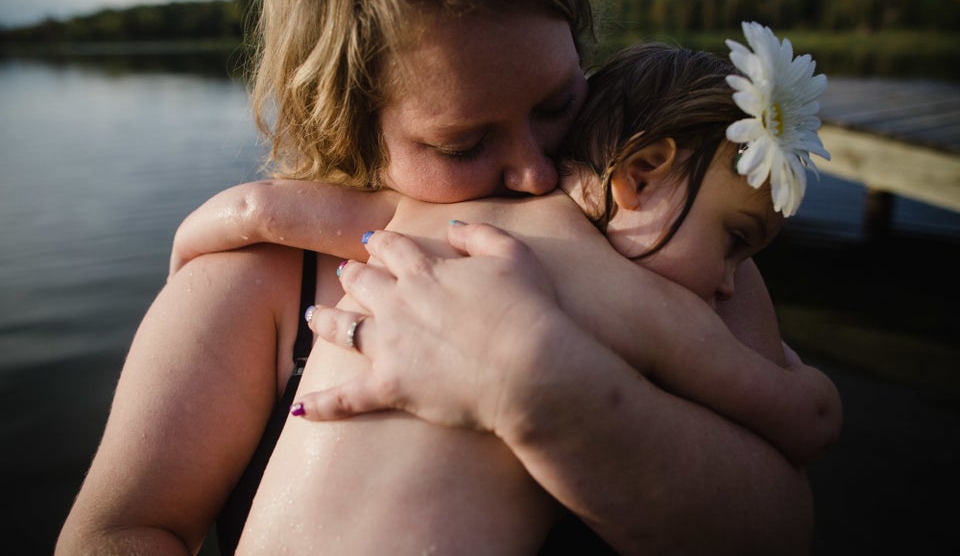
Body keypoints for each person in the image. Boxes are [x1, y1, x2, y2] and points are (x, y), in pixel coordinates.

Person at [55, 0, 818, 553]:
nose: (532, 173)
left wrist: (549, 394)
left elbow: (784, 526)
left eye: (558, 103)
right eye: (462, 145)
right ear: (344, 122)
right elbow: (117, 532)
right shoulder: (260, 283)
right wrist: (251, 218)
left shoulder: (686, 256)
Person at [218, 38, 842, 554]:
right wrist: (798, 371)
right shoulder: (646, 301)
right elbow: (807, 422)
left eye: (557, 105)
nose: (729, 285)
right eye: (733, 241)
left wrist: (186, 252)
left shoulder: (416, 213)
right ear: (641, 173)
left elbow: (257, 206)